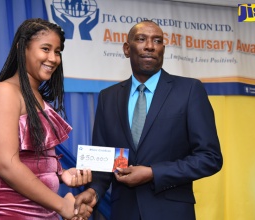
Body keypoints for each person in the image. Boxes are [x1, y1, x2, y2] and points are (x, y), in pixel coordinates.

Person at [74, 20, 223, 220]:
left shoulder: (189, 91)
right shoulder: (108, 98)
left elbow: (210, 158)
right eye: (141, 39)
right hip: (124, 213)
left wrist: (153, 173)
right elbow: (104, 161)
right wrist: (94, 191)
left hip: (172, 213)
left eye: (157, 41)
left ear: (163, 48)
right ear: (127, 49)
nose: (150, 46)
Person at [0, 18, 92, 220]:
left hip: (43, 211)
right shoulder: (5, 92)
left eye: (57, 52)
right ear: (23, 48)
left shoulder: (36, 97)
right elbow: (7, 165)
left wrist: (59, 174)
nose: (53, 58)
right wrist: (62, 205)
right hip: (8, 212)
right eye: (45, 49)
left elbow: (32, 158)